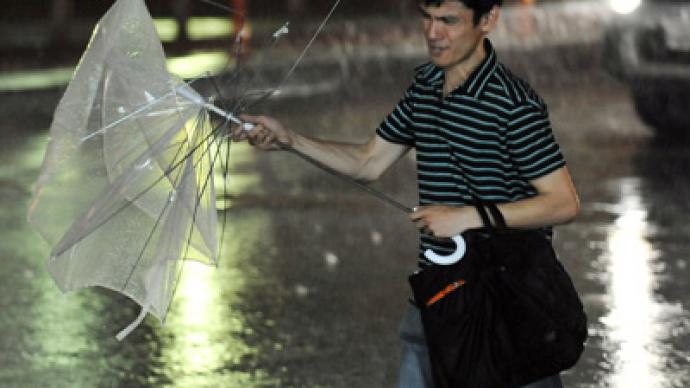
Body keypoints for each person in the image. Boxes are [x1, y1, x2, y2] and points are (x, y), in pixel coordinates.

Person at [234, 0, 580, 386]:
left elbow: (563, 201)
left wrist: (469, 216)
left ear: (488, 19)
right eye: (427, 18)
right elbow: (368, 162)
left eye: (449, 20)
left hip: (504, 303)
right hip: (436, 296)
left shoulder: (513, 104)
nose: (433, 33)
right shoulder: (425, 88)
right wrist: (290, 139)